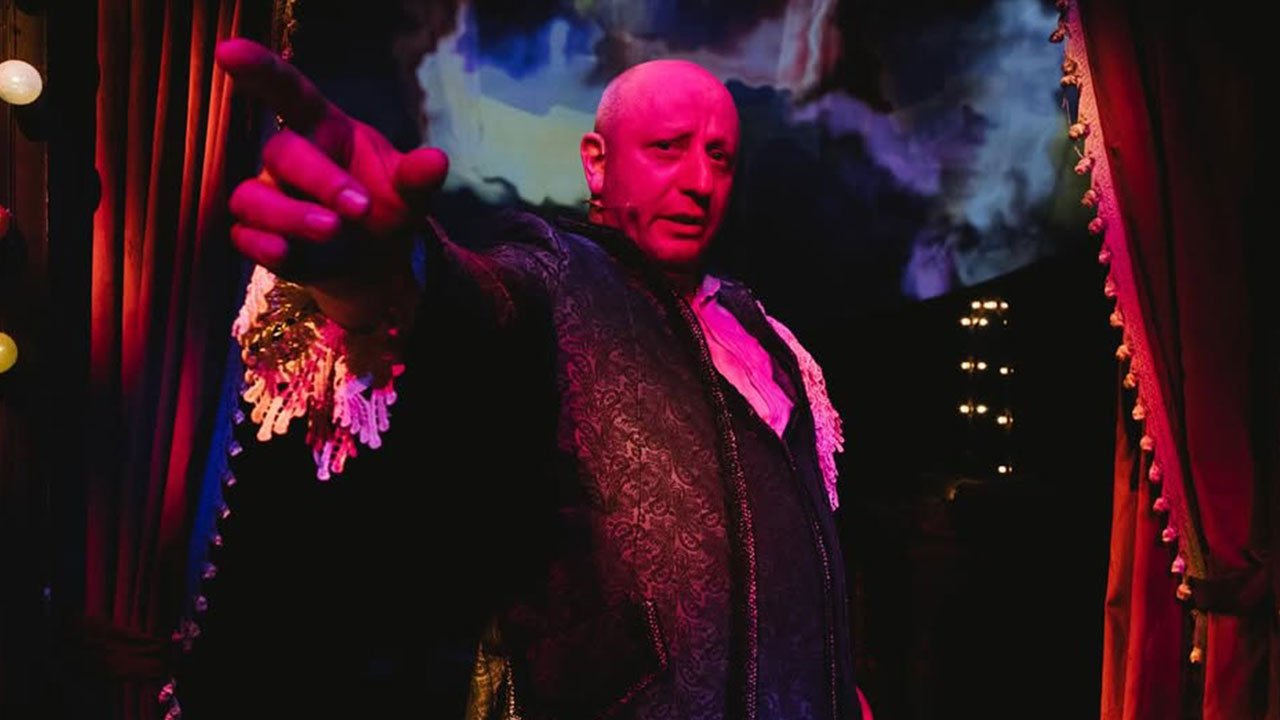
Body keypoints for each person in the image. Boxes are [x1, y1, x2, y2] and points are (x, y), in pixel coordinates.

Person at [185, 37, 871, 720]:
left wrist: (842, 687)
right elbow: (476, 302)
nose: (699, 180)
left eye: (719, 157)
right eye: (668, 148)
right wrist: (387, 270)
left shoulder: (769, 338)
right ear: (597, 163)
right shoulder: (560, 272)